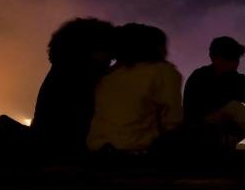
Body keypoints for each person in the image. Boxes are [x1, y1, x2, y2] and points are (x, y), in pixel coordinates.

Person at [26, 18, 116, 157]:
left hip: (49, 149)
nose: (111, 57)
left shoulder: (61, 71)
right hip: (70, 153)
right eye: (107, 49)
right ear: (89, 49)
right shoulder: (82, 76)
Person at [87, 23, 183, 153]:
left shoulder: (108, 74)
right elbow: (172, 119)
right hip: (135, 149)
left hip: (97, 148)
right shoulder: (163, 71)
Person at [183, 36, 245, 150]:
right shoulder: (200, 76)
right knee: (233, 107)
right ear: (214, 58)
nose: (234, 63)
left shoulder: (235, 78)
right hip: (201, 128)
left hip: (229, 126)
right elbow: (207, 104)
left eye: (236, 58)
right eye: (228, 58)